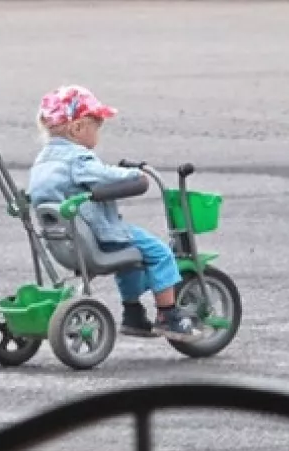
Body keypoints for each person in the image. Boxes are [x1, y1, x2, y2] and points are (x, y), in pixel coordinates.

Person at [26, 85, 204, 342]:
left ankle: (133, 314)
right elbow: (105, 176)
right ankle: (169, 316)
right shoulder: (78, 159)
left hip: (67, 243)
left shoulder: (43, 162)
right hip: (99, 237)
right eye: (96, 127)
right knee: (159, 253)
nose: (98, 134)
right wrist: (135, 176)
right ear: (77, 128)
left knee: (130, 261)